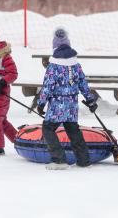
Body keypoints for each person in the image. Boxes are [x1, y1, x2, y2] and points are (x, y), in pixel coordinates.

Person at [37, 27, 98, 170]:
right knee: (73, 130)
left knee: (48, 128)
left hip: (57, 104)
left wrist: (41, 103)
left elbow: (48, 86)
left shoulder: (53, 66)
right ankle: (83, 160)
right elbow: (83, 82)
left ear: (54, 47)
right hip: (72, 104)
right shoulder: (76, 64)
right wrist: (90, 99)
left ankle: (59, 160)